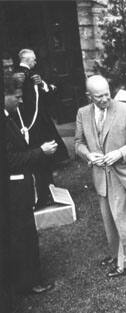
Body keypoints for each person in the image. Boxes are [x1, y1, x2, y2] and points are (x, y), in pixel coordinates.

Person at [75, 75, 126, 278]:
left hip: (123, 174)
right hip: (101, 177)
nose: (105, 99)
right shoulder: (82, 113)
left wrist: (120, 153)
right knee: (109, 220)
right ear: (89, 96)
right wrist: (89, 155)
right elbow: (78, 143)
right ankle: (117, 255)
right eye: (99, 96)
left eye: (107, 93)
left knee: (123, 220)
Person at [4, 73, 56, 294]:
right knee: (22, 236)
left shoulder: (9, 117)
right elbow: (9, 160)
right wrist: (40, 152)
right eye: (17, 96)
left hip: (16, 191)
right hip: (12, 193)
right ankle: (30, 281)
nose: (21, 100)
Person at [13, 49, 69, 209]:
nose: (35, 62)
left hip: (38, 123)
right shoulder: (20, 76)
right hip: (31, 125)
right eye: (34, 60)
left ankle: (48, 190)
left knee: (43, 159)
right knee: (39, 159)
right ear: (27, 60)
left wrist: (43, 84)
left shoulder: (33, 76)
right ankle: (42, 195)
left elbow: (44, 94)